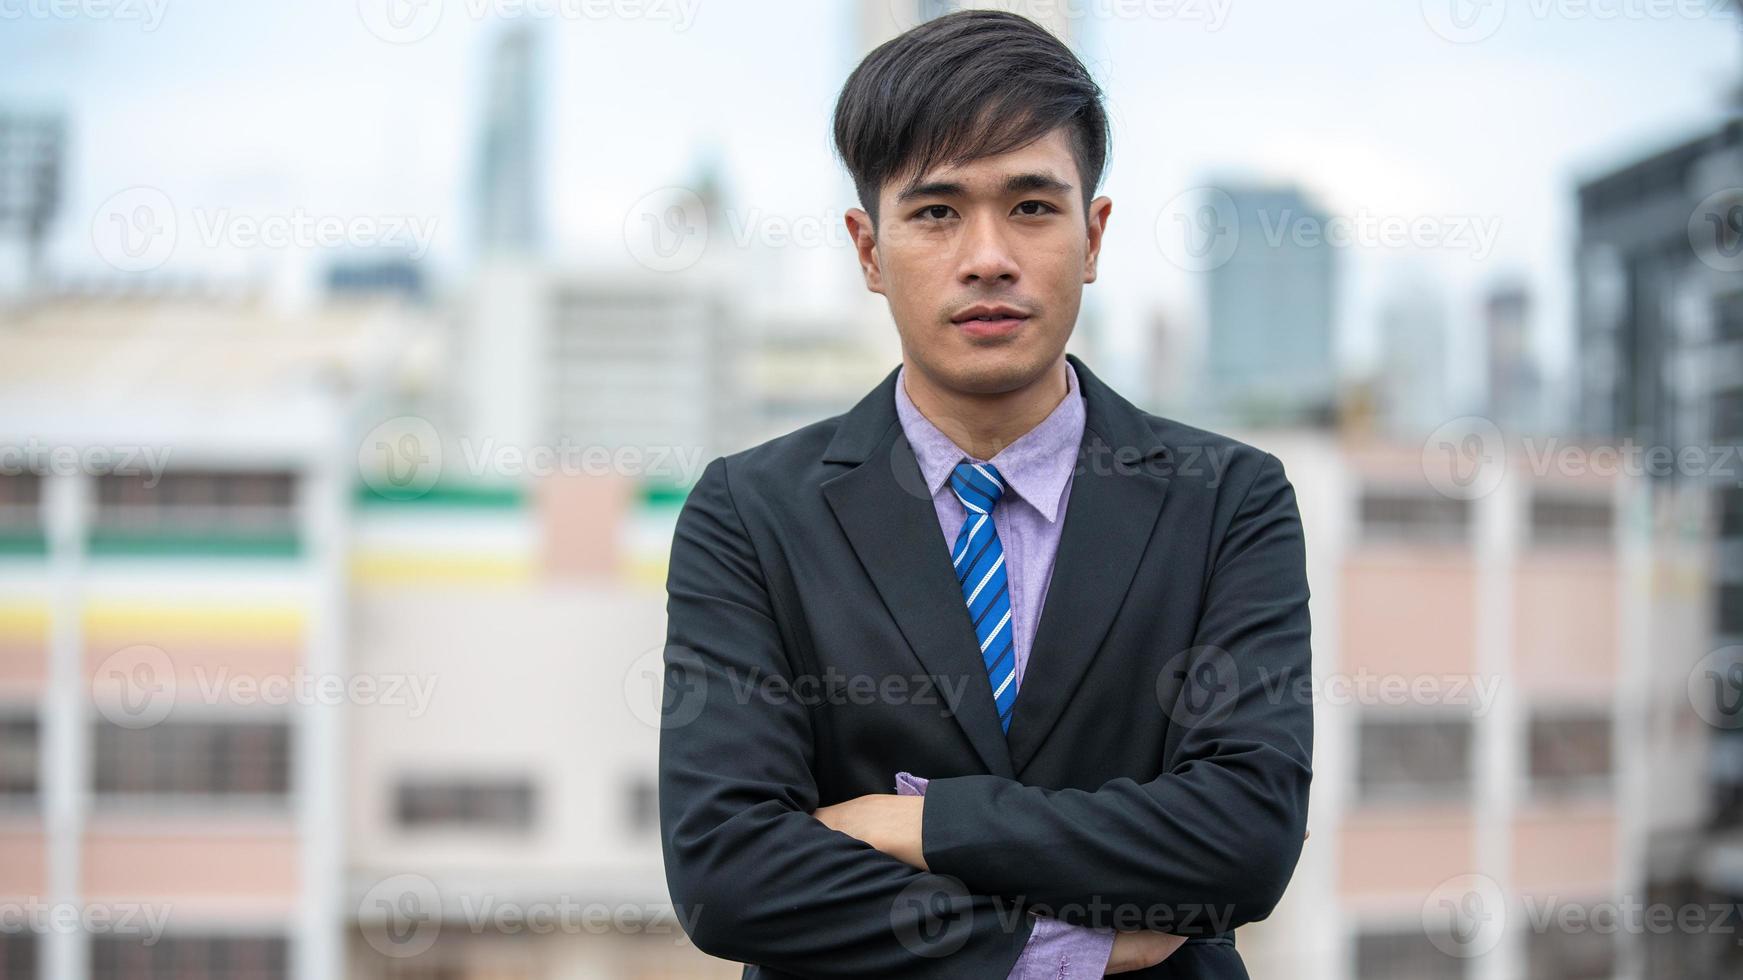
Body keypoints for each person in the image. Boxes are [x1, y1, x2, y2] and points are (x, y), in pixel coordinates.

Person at [658, 10, 1312, 978]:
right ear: (869, 251)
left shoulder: (1228, 501)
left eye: (1033, 207)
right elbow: (731, 871)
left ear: (1093, 235)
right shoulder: (751, 514)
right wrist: (1066, 944)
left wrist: (917, 822)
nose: (988, 256)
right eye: (935, 212)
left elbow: (1243, 838)